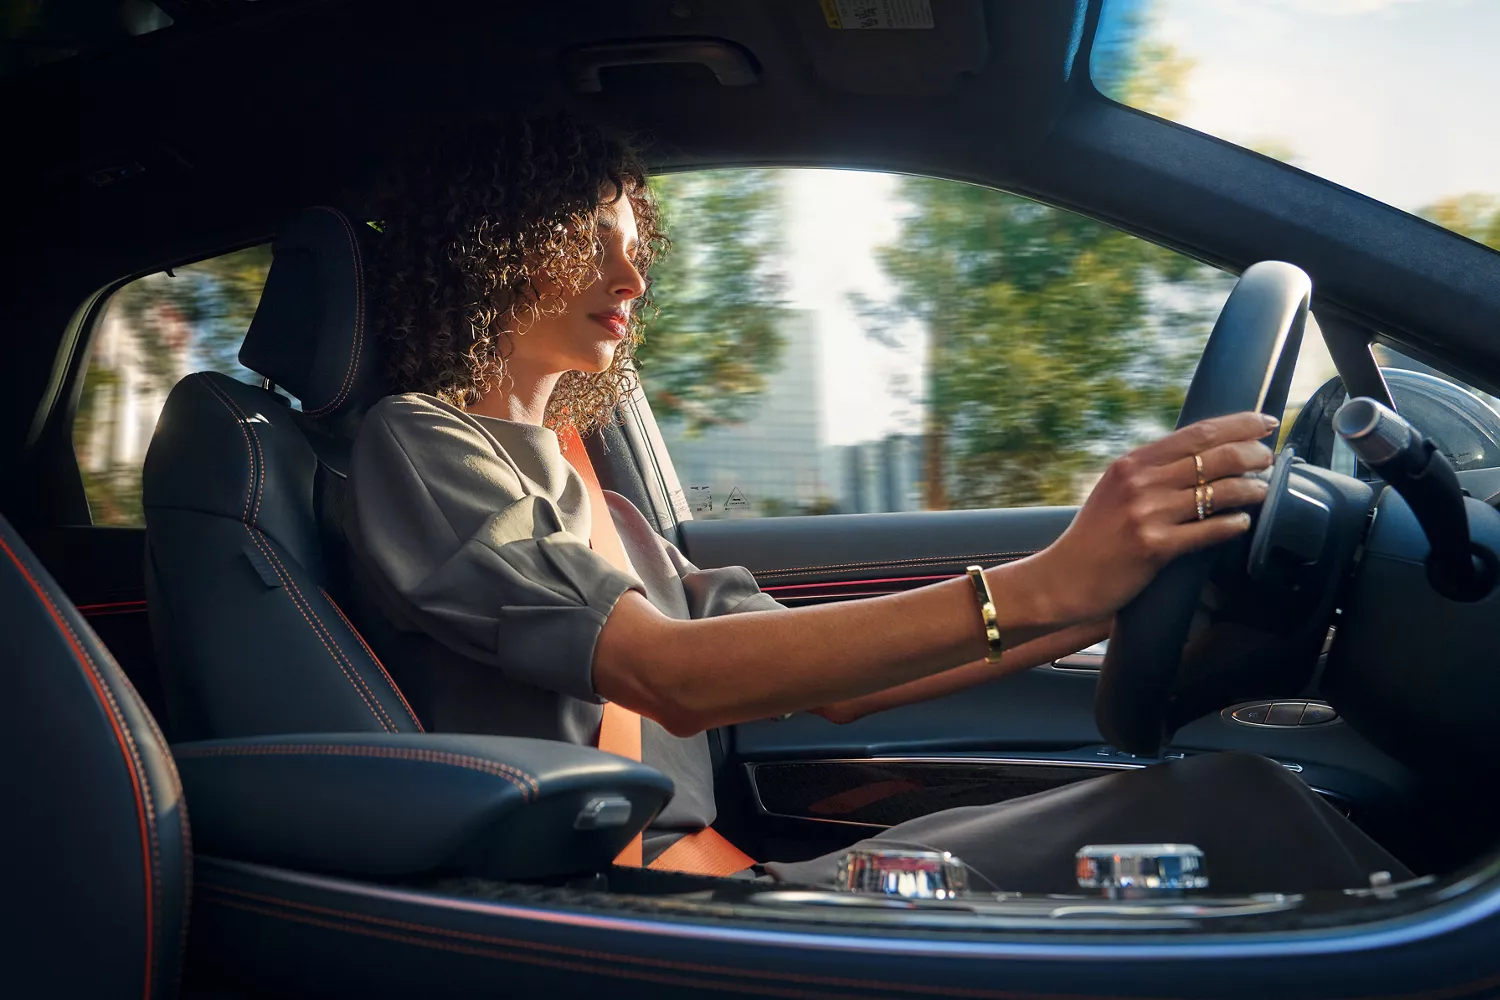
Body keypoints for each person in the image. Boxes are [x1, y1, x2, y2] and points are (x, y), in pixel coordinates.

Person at [347, 113, 1409, 892]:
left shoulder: (609, 506)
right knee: (1239, 810)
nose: (631, 271)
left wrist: (1111, 599)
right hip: (625, 909)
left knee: (1242, 799)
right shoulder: (420, 442)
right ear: (490, 245)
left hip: (729, 882)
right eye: (590, 232)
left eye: (637, 237)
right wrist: (1050, 576)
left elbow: (835, 689)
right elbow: (662, 676)